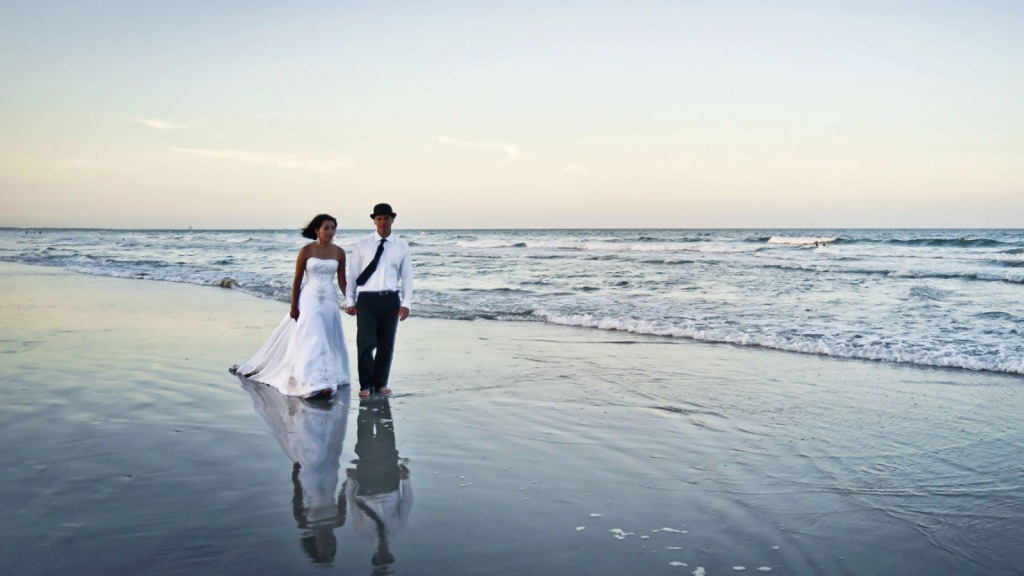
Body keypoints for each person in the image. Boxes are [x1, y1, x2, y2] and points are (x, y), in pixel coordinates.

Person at [232, 214, 351, 398]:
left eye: (333, 228)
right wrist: (294, 305)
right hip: (309, 298)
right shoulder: (306, 251)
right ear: (317, 230)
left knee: (325, 337)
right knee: (314, 336)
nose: (330, 232)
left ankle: (325, 377)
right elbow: (297, 281)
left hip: (329, 299)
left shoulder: (339, 252)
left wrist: (351, 300)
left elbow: (342, 282)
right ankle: (316, 381)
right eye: (326, 228)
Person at [345, 203, 413, 398]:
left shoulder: (401, 246)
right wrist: (350, 300)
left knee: (386, 343)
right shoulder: (362, 244)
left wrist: (406, 303)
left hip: (390, 299)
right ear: (374, 220)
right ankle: (366, 384)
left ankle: (381, 382)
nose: (383, 222)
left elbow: (407, 276)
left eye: (386, 218)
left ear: (392, 219)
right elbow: (353, 275)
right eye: (379, 218)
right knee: (365, 343)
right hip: (367, 299)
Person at [345, 398, 412, 567]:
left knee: (365, 438)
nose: (384, 554)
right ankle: (382, 404)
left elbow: (352, 503)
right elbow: (407, 502)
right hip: (390, 481)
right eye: (387, 557)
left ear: (375, 556)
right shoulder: (397, 528)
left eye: (381, 558)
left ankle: (365, 404)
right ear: (390, 554)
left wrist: (350, 481)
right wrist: (406, 480)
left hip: (367, 484)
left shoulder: (361, 530)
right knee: (387, 436)